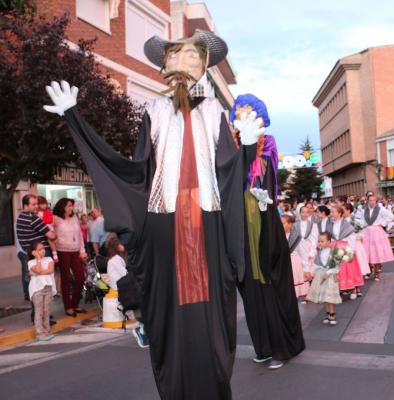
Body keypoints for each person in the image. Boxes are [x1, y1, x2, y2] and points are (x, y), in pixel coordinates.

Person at [44, 29, 258, 399]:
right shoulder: (155, 111)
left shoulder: (213, 111)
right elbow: (134, 170)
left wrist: (249, 149)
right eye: (177, 55)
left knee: (211, 318)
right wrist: (74, 120)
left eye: (194, 56)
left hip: (209, 224)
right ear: (165, 64)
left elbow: (228, 169)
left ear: (205, 65)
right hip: (165, 225)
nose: (184, 62)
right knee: (168, 314)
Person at [232, 94, 305, 370]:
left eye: (248, 110)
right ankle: (263, 346)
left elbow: (265, 174)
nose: (243, 114)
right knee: (250, 289)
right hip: (240, 222)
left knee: (270, 284)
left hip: (262, 217)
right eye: (239, 111)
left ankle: (282, 348)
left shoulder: (268, 141)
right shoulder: (230, 144)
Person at [16, 194, 56, 301]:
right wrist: (52, 230)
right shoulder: (33, 219)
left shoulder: (20, 217)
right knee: (43, 283)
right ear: (25, 205)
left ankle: (33, 303)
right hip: (39, 253)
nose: (36, 206)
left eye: (37, 204)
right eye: (33, 204)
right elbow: (52, 236)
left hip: (28, 253)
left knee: (33, 281)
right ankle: (40, 313)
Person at [53, 198, 88, 317]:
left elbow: (79, 235)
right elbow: (49, 234)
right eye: (68, 206)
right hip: (62, 251)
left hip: (76, 251)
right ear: (62, 206)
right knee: (66, 279)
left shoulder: (74, 218)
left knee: (80, 277)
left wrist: (82, 251)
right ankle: (68, 306)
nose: (71, 208)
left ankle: (75, 304)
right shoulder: (55, 218)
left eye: (72, 206)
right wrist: (54, 251)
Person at [306, 232, 342, 325]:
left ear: (329, 242)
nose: (320, 243)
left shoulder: (334, 252)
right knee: (324, 297)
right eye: (319, 241)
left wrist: (328, 272)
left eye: (322, 241)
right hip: (320, 276)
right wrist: (310, 273)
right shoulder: (319, 253)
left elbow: (337, 267)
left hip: (329, 277)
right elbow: (316, 265)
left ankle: (332, 314)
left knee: (329, 297)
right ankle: (328, 314)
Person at [329, 205, 364, 297]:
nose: (332, 214)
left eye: (333, 212)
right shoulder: (331, 224)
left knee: (348, 268)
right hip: (335, 247)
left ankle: (353, 289)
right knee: (338, 269)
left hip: (345, 247)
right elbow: (331, 238)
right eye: (331, 212)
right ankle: (341, 288)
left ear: (339, 213)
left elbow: (351, 237)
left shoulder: (346, 224)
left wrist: (350, 251)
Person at [359, 195, 394, 281]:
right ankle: (369, 270)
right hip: (367, 232)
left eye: (373, 200)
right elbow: (361, 220)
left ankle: (377, 272)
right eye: (370, 200)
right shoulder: (364, 210)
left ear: (376, 201)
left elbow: (391, 216)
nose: (371, 202)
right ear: (367, 201)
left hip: (377, 232)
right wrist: (361, 227)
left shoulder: (380, 209)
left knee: (376, 252)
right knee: (367, 252)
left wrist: (382, 224)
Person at [27, 241, 56, 341]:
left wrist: (37, 273)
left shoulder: (49, 259)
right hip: (37, 289)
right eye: (39, 249)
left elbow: (50, 270)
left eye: (43, 248)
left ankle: (47, 331)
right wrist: (38, 259)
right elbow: (39, 270)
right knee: (38, 311)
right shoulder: (31, 262)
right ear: (34, 252)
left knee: (46, 311)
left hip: (48, 287)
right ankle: (39, 333)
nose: (43, 251)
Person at [281, 213, 309, 300]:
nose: (280, 226)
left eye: (283, 223)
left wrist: (306, 270)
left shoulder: (297, 237)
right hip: (282, 266)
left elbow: (304, 254)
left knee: (294, 291)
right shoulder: (277, 236)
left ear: (290, 224)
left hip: (294, 266)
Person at [294, 205, 319, 302]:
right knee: (303, 270)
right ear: (300, 213)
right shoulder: (296, 225)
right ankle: (307, 292)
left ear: (309, 213)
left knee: (311, 270)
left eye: (306, 212)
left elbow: (314, 238)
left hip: (309, 248)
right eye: (302, 212)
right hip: (299, 249)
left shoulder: (313, 225)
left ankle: (314, 292)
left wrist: (312, 251)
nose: (304, 214)